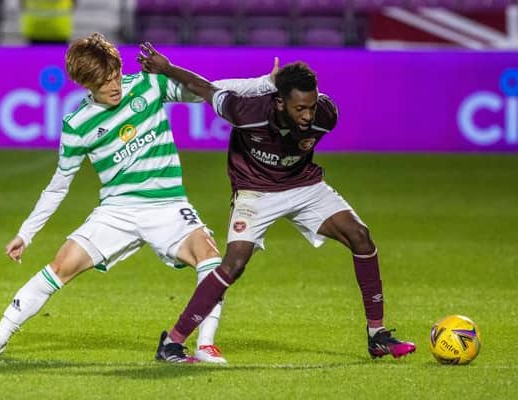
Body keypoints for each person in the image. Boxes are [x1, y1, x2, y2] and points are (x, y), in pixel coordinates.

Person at [0, 33, 278, 364]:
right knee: (59, 267)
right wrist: (26, 232)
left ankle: (205, 344)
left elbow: (210, 90)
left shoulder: (148, 86)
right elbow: (58, 185)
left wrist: (263, 84)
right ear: (85, 84)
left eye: (114, 76)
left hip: (168, 206)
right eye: (104, 82)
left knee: (209, 256)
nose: (114, 86)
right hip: (116, 211)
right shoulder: (77, 124)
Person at [137, 42, 417, 362]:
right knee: (234, 264)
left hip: (304, 185)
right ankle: (172, 342)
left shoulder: (326, 114)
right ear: (280, 102)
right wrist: (167, 67)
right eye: (300, 109)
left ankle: (377, 335)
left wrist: (309, 123)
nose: (308, 115)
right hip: (255, 191)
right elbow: (204, 88)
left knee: (361, 237)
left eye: (311, 106)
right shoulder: (246, 112)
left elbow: (313, 122)